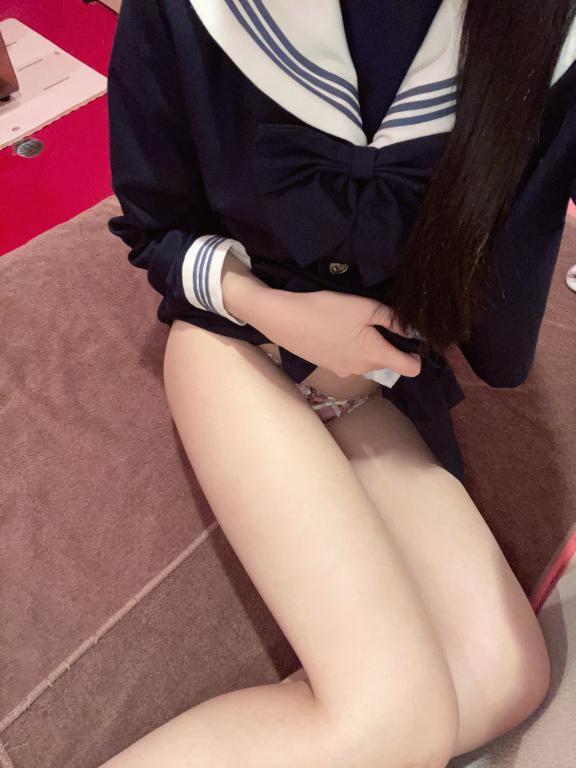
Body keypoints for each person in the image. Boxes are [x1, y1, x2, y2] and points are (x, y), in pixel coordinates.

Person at [100, 1, 576, 766]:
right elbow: (155, 229)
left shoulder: (535, 28)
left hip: (373, 378)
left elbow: (501, 292)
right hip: (238, 340)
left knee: (508, 676)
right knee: (399, 722)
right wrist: (271, 309)